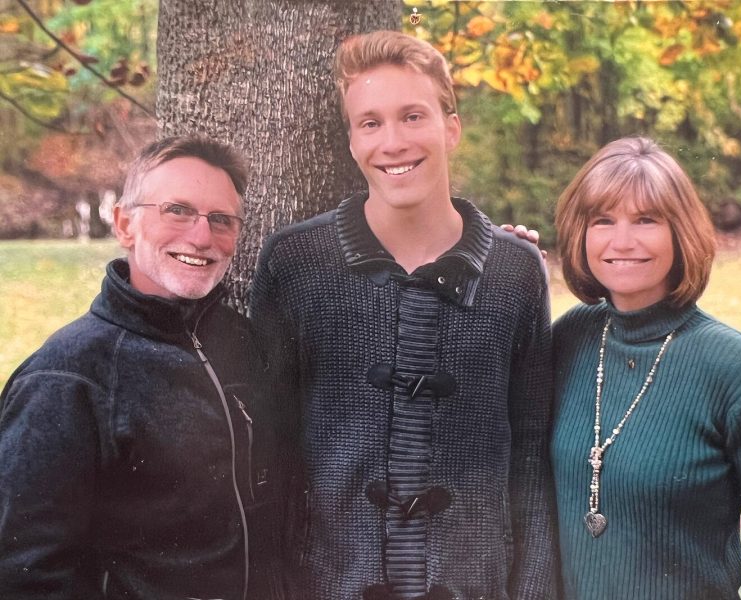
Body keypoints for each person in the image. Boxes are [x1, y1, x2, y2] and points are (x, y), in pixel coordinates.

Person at [250, 30, 559, 600]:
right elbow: (266, 455)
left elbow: (532, 459)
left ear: (451, 127)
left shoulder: (515, 271)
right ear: (351, 141)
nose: (392, 141)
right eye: (370, 123)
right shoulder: (294, 263)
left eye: (413, 116)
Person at [0, 136, 288, 600]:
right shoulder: (68, 377)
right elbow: (25, 573)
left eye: (221, 219)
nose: (201, 236)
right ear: (125, 224)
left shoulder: (247, 344)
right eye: (177, 210)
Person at [551, 136, 741, 598]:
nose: (621, 242)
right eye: (603, 221)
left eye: (646, 220)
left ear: (680, 232)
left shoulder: (736, 369)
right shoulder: (567, 340)